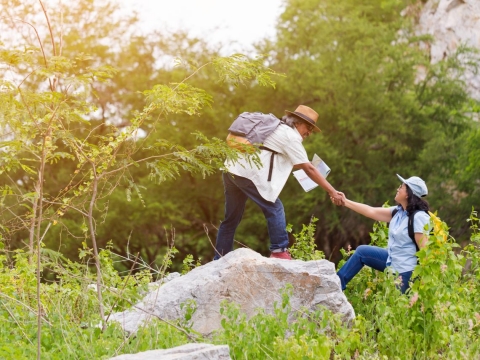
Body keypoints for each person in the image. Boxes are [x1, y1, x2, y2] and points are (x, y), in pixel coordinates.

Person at [214, 105, 343, 260]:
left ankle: (220, 257)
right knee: (275, 208)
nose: (309, 132)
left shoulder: (277, 128)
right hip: (248, 174)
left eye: (311, 129)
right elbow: (308, 168)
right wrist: (332, 191)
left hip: (232, 170)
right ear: (297, 123)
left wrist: (312, 169)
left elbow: (292, 161)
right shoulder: (291, 136)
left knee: (231, 219)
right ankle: (279, 251)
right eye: (308, 127)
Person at [335, 174, 431, 293]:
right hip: (392, 260)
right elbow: (371, 211)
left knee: (397, 307)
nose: (398, 189)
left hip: (405, 271)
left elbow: (425, 252)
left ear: (408, 194)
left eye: (401, 187)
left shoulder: (418, 217)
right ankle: (336, 285)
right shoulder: (398, 212)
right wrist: (345, 201)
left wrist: (423, 285)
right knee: (362, 252)